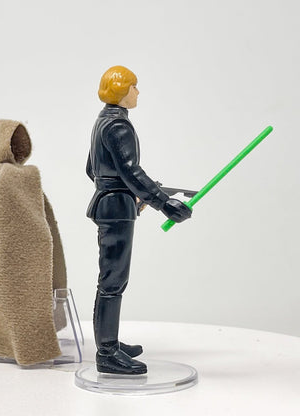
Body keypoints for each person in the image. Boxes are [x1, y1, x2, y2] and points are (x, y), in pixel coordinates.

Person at [86, 65, 192, 375]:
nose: (138, 92)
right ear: (121, 90)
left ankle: (110, 343)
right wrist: (163, 203)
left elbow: (92, 168)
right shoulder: (118, 125)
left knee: (111, 280)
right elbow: (131, 171)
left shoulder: (102, 120)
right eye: (134, 86)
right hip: (116, 208)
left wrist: (128, 194)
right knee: (113, 282)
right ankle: (107, 353)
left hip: (112, 203)